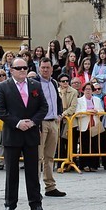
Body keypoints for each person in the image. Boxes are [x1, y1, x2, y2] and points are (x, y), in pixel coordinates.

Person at [0, 57, 48, 210]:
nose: (23, 70)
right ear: (11, 70)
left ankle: (36, 204)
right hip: (13, 133)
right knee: (11, 172)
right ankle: (10, 204)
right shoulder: (3, 87)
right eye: (19, 68)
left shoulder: (35, 85)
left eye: (25, 67)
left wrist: (33, 122)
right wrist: (17, 123)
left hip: (31, 133)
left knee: (33, 171)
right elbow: (0, 110)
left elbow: (43, 107)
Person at [37, 58, 66, 197]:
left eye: (47, 67)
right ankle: (35, 187)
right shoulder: (34, 83)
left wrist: (59, 113)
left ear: (51, 69)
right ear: (39, 68)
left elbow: (57, 100)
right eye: (43, 67)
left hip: (53, 122)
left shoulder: (54, 83)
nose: (45, 70)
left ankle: (50, 186)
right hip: (41, 122)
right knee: (38, 156)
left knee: (50, 156)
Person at [75, 82, 104, 172]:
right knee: (85, 145)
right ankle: (84, 164)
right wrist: (87, 111)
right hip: (84, 124)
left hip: (94, 123)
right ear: (83, 90)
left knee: (95, 144)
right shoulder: (79, 100)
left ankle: (94, 165)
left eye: (90, 89)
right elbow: (77, 113)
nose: (88, 91)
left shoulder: (97, 100)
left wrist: (96, 111)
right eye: (86, 89)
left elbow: (102, 111)